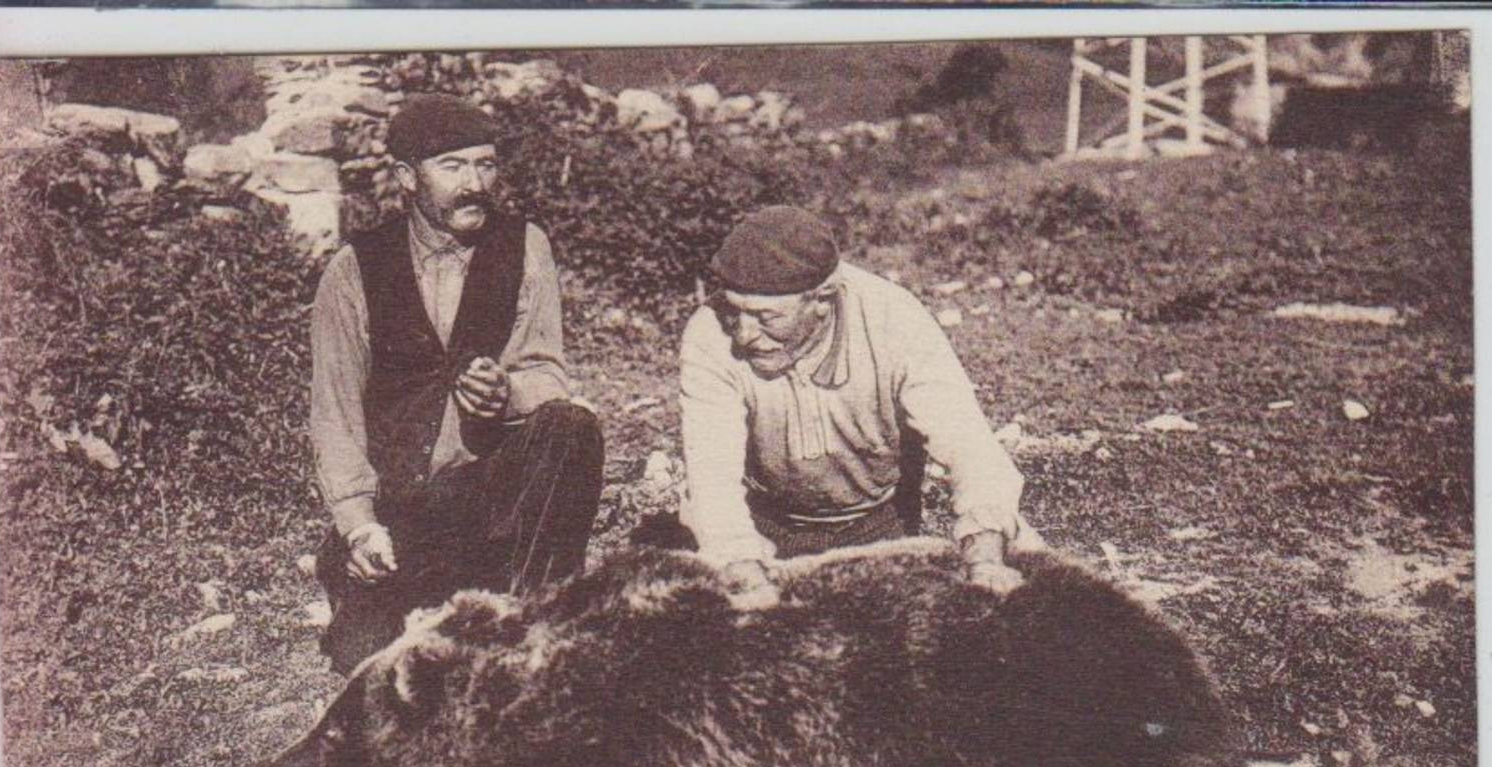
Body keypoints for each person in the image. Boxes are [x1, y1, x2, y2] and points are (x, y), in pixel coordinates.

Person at [309, 94, 604, 674]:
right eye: (453, 166)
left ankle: (539, 621)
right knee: (365, 660)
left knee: (572, 427)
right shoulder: (354, 269)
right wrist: (360, 526)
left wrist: (510, 395)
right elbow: (334, 414)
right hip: (406, 512)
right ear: (405, 178)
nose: (475, 183)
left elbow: (547, 371)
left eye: (486, 164)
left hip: (493, 498)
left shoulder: (525, 246)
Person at [678, 204, 1037, 603]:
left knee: (1031, 575)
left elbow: (969, 445)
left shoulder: (893, 319)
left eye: (766, 318)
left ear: (823, 299)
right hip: (763, 527)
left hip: (878, 524)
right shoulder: (709, 336)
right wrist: (744, 572)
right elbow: (712, 477)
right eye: (734, 313)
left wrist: (985, 560)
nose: (744, 335)